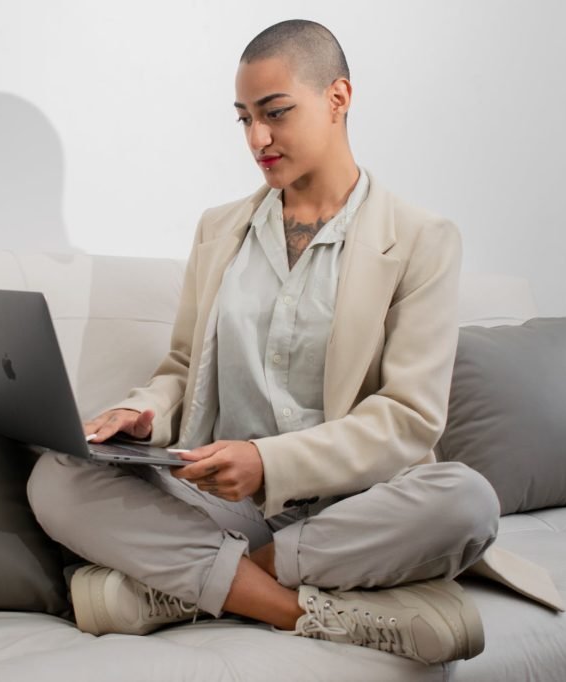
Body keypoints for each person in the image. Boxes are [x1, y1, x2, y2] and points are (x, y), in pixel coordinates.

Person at [26, 19, 501, 665]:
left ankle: (188, 590)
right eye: (244, 118)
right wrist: (143, 412)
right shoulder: (218, 229)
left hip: (355, 509)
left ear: (338, 98)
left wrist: (268, 461)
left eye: (275, 113)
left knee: (467, 501)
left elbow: (408, 419)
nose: (257, 138)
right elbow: (184, 366)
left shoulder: (422, 238)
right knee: (56, 476)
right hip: (221, 504)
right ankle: (296, 609)